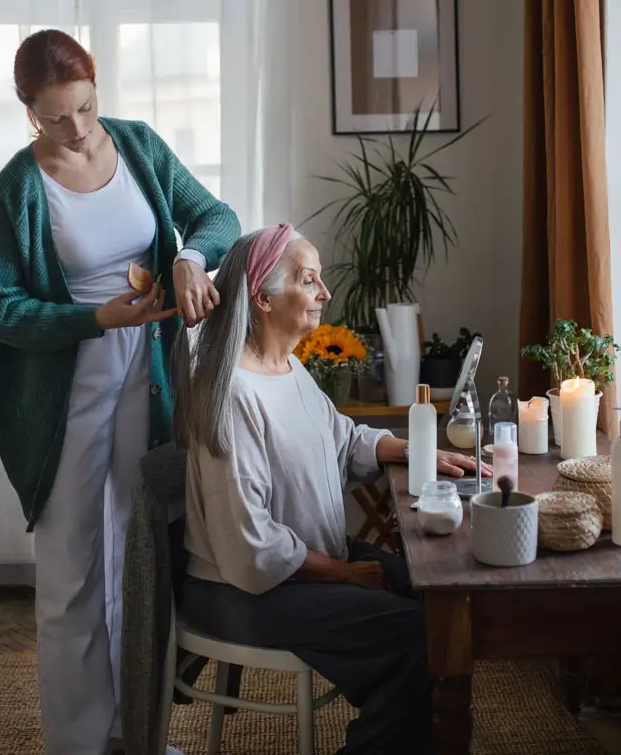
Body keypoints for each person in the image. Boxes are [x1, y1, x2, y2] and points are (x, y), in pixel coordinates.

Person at [0, 29, 240, 755]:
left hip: (144, 381)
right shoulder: (21, 186)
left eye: (87, 108)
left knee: (138, 563)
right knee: (71, 576)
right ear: (29, 109)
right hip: (64, 396)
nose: (79, 130)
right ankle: (80, 742)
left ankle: (138, 732)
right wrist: (92, 316)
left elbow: (218, 218)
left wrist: (187, 258)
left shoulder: (139, 145)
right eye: (57, 117)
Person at [174, 224, 491, 755]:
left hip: (301, 568)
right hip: (241, 592)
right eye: (309, 280)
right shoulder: (232, 393)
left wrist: (407, 449)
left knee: (435, 598)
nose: (324, 293)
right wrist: (343, 574)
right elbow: (250, 548)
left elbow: (338, 437)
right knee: (413, 634)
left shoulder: (288, 367)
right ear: (264, 299)